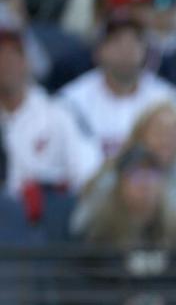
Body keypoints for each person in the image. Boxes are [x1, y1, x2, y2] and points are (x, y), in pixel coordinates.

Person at [57, 12, 176, 158]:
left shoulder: (168, 98)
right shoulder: (71, 100)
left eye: (135, 41)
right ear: (98, 51)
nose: (126, 49)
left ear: (146, 51)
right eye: (116, 41)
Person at [0, 16, 102, 200]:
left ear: (26, 61)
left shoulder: (60, 111)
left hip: (46, 219)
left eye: (13, 55)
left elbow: (88, 173)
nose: (6, 64)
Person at [73, 100, 176, 235]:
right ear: (140, 135)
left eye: (174, 134)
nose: (166, 140)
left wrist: (155, 202)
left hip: (169, 253)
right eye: (159, 132)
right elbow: (80, 224)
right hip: (111, 250)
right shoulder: (114, 170)